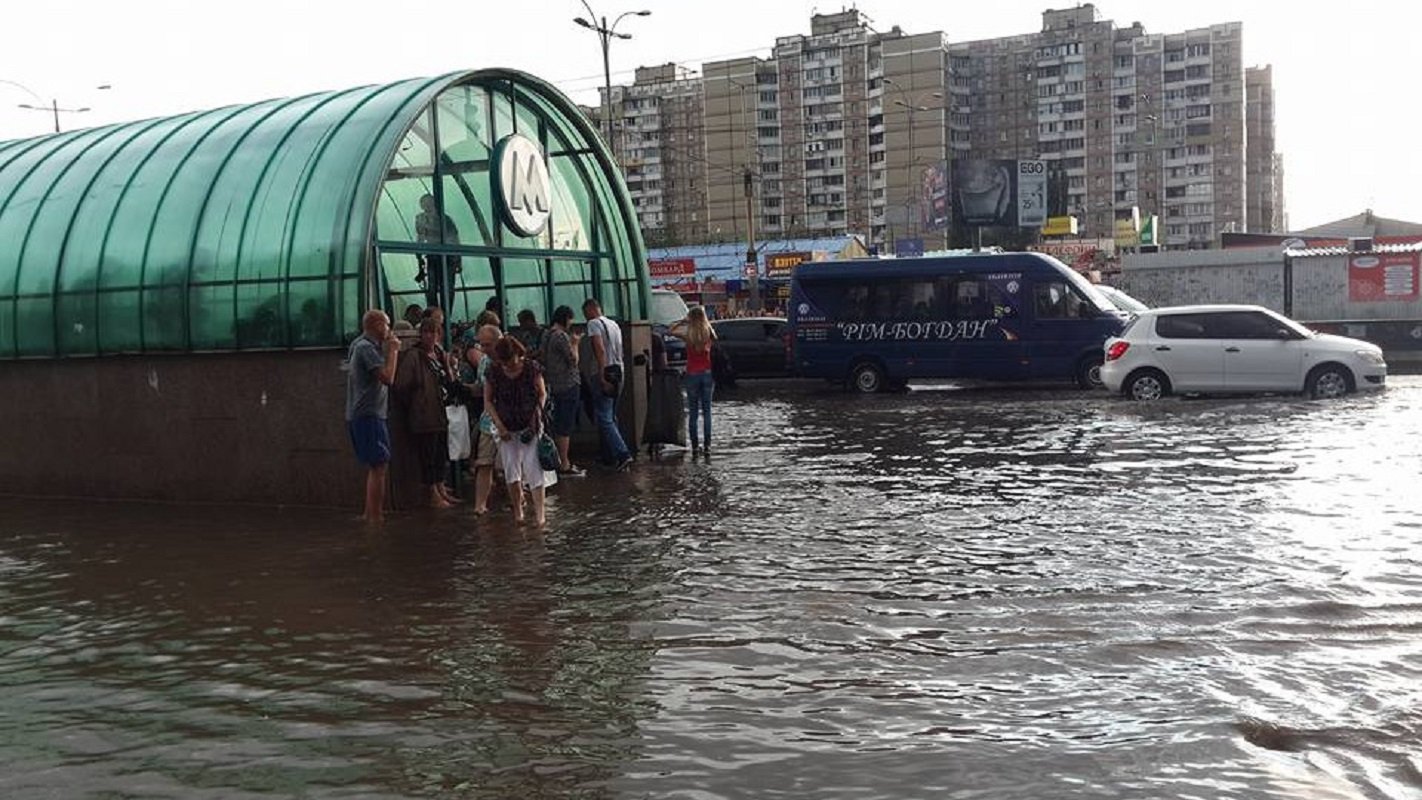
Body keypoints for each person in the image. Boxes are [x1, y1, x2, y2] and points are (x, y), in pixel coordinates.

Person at [484, 336, 549, 526]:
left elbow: (542, 393)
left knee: (534, 467)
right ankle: (518, 512)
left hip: (530, 424)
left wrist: (536, 416)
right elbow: (488, 400)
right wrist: (499, 425)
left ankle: (540, 515)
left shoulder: (531, 368)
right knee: (511, 470)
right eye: (504, 362)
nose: (509, 366)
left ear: (519, 355)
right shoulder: (493, 371)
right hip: (506, 426)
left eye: (511, 361)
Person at [394, 319, 458, 509]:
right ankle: (432, 493)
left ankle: (441, 488)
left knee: (440, 454)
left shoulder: (438, 354)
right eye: (427, 333)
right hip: (424, 414)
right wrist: (417, 400)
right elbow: (401, 385)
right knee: (428, 455)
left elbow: (448, 381)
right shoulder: (414, 356)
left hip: (439, 412)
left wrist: (448, 365)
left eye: (435, 333)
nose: (431, 336)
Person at [345, 309, 400, 523]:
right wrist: (393, 351)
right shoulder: (366, 348)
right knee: (379, 465)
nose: (389, 329)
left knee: (376, 464)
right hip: (369, 413)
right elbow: (388, 378)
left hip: (361, 412)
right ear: (377, 324)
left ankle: (371, 513)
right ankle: (375, 516)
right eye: (387, 324)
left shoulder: (358, 345)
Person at [582, 297, 632, 471]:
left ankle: (622, 453)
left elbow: (599, 348)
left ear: (590, 310)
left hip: (604, 371)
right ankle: (609, 455)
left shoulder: (593, 324)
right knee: (611, 415)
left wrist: (602, 374)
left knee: (603, 416)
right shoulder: (614, 324)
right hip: (619, 370)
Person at [669, 305, 717, 456]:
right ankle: (708, 445)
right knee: (707, 411)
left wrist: (683, 321)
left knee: (693, 412)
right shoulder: (708, 332)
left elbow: (671, 330)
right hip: (707, 373)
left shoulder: (688, 334)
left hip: (692, 374)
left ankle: (695, 445)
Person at [543, 305, 585, 477]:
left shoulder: (547, 335)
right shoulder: (561, 336)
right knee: (565, 425)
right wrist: (575, 343)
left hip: (554, 384)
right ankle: (564, 463)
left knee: (559, 422)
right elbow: (573, 360)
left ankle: (560, 461)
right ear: (566, 318)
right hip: (568, 384)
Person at [469, 324, 504, 516]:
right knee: (484, 462)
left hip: (510, 419)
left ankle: (520, 498)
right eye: (482, 344)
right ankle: (480, 505)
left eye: (488, 344)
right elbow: (481, 390)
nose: (484, 349)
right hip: (489, 420)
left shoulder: (512, 359)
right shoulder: (484, 362)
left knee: (515, 463)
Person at [414, 194, 460, 285]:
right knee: (433, 285)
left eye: (428, 203)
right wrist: (419, 255)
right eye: (424, 204)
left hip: (447, 258)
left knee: (447, 285)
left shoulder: (445, 219)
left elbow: (454, 239)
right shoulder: (422, 219)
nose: (426, 206)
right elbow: (421, 236)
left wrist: (457, 259)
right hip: (433, 256)